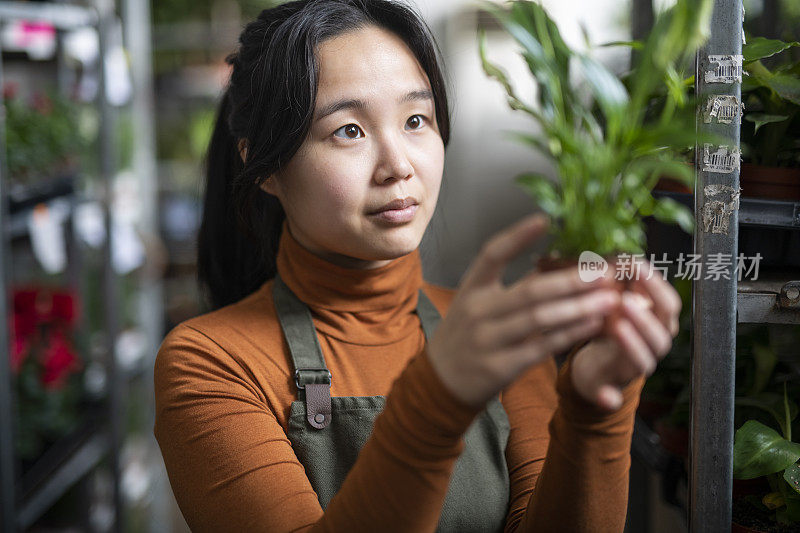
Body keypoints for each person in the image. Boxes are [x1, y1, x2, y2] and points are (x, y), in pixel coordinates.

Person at [153, 1, 683, 531]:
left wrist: (596, 411)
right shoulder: (209, 363)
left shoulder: (498, 335)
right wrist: (439, 398)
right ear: (264, 165)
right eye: (349, 131)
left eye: (415, 120)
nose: (399, 166)